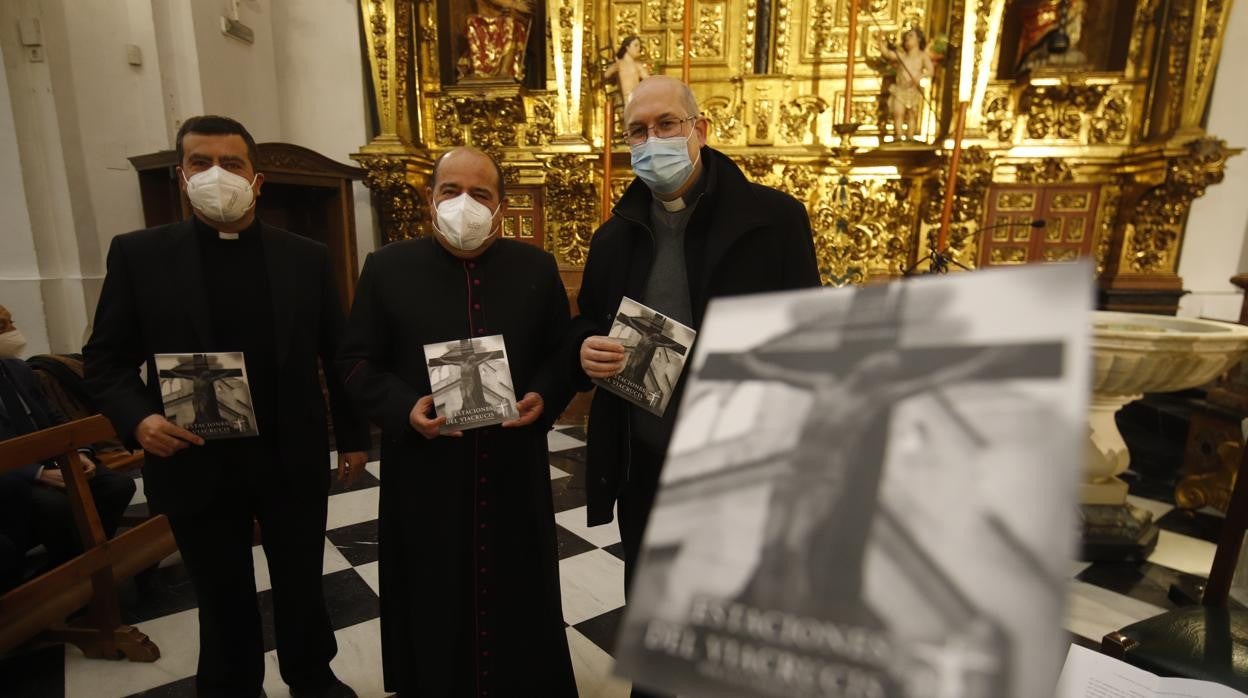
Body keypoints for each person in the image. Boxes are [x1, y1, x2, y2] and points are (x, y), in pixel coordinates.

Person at [83, 115, 370, 698]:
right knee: (220, 590)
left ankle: (312, 676)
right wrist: (139, 418)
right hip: (194, 453)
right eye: (201, 162)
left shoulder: (305, 257)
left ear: (256, 180)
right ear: (181, 177)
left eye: (232, 163)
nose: (218, 174)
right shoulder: (139, 256)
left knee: (300, 582)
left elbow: (338, 353)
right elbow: (105, 361)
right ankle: (232, 686)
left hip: (290, 452)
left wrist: (355, 438)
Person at [569, 75, 821, 697]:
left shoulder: (775, 221)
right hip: (648, 459)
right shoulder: (614, 235)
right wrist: (588, 348)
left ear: (699, 131)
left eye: (666, 125)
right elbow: (589, 321)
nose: (652, 139)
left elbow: (811, 341)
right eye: (637, 130)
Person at [338, 146, 577, 697]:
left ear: (500, 205)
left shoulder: (535, 267)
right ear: (431, 198)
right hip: (426, 470)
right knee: (431, 587)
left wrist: (544, 393)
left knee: (520, 586)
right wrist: (403, 408)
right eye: (450, 190)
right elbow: (354, 361)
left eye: (480, 193)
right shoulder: (387, 267)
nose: (463, 203)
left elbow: (559, 354)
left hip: (513, 466)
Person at [0, 306, 135, 572]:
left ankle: (88, 563)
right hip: (13, 477)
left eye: (11, 323)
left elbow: (56, 417)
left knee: (118, 486)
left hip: (55, 459)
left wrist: (79, 452)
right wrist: (38, 473)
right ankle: (68, 572)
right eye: (4, 327)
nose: (14, 333)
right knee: (56, 506)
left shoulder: (18, 370)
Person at [879, 28, 935, 143]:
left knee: (912, 114)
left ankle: (910, 136)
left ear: (918, 39)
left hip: (913, 89)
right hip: (900, 89)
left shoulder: (922, 56)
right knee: (898, 112)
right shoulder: (902, 56)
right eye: (906, 38)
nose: (907, 39)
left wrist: (919, 77)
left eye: (911, 36)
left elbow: (930, 70)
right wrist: (880, 40)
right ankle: (899, 135)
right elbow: (887, 53)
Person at [604, 35, 651, 102]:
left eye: (639, 46)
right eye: (636, 45)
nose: (638, 49)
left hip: (635, 98)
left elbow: (648, 80)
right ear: (627, 47)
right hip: (623, 99)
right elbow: (605, 75)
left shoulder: (637, 65)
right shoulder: (619, 64)